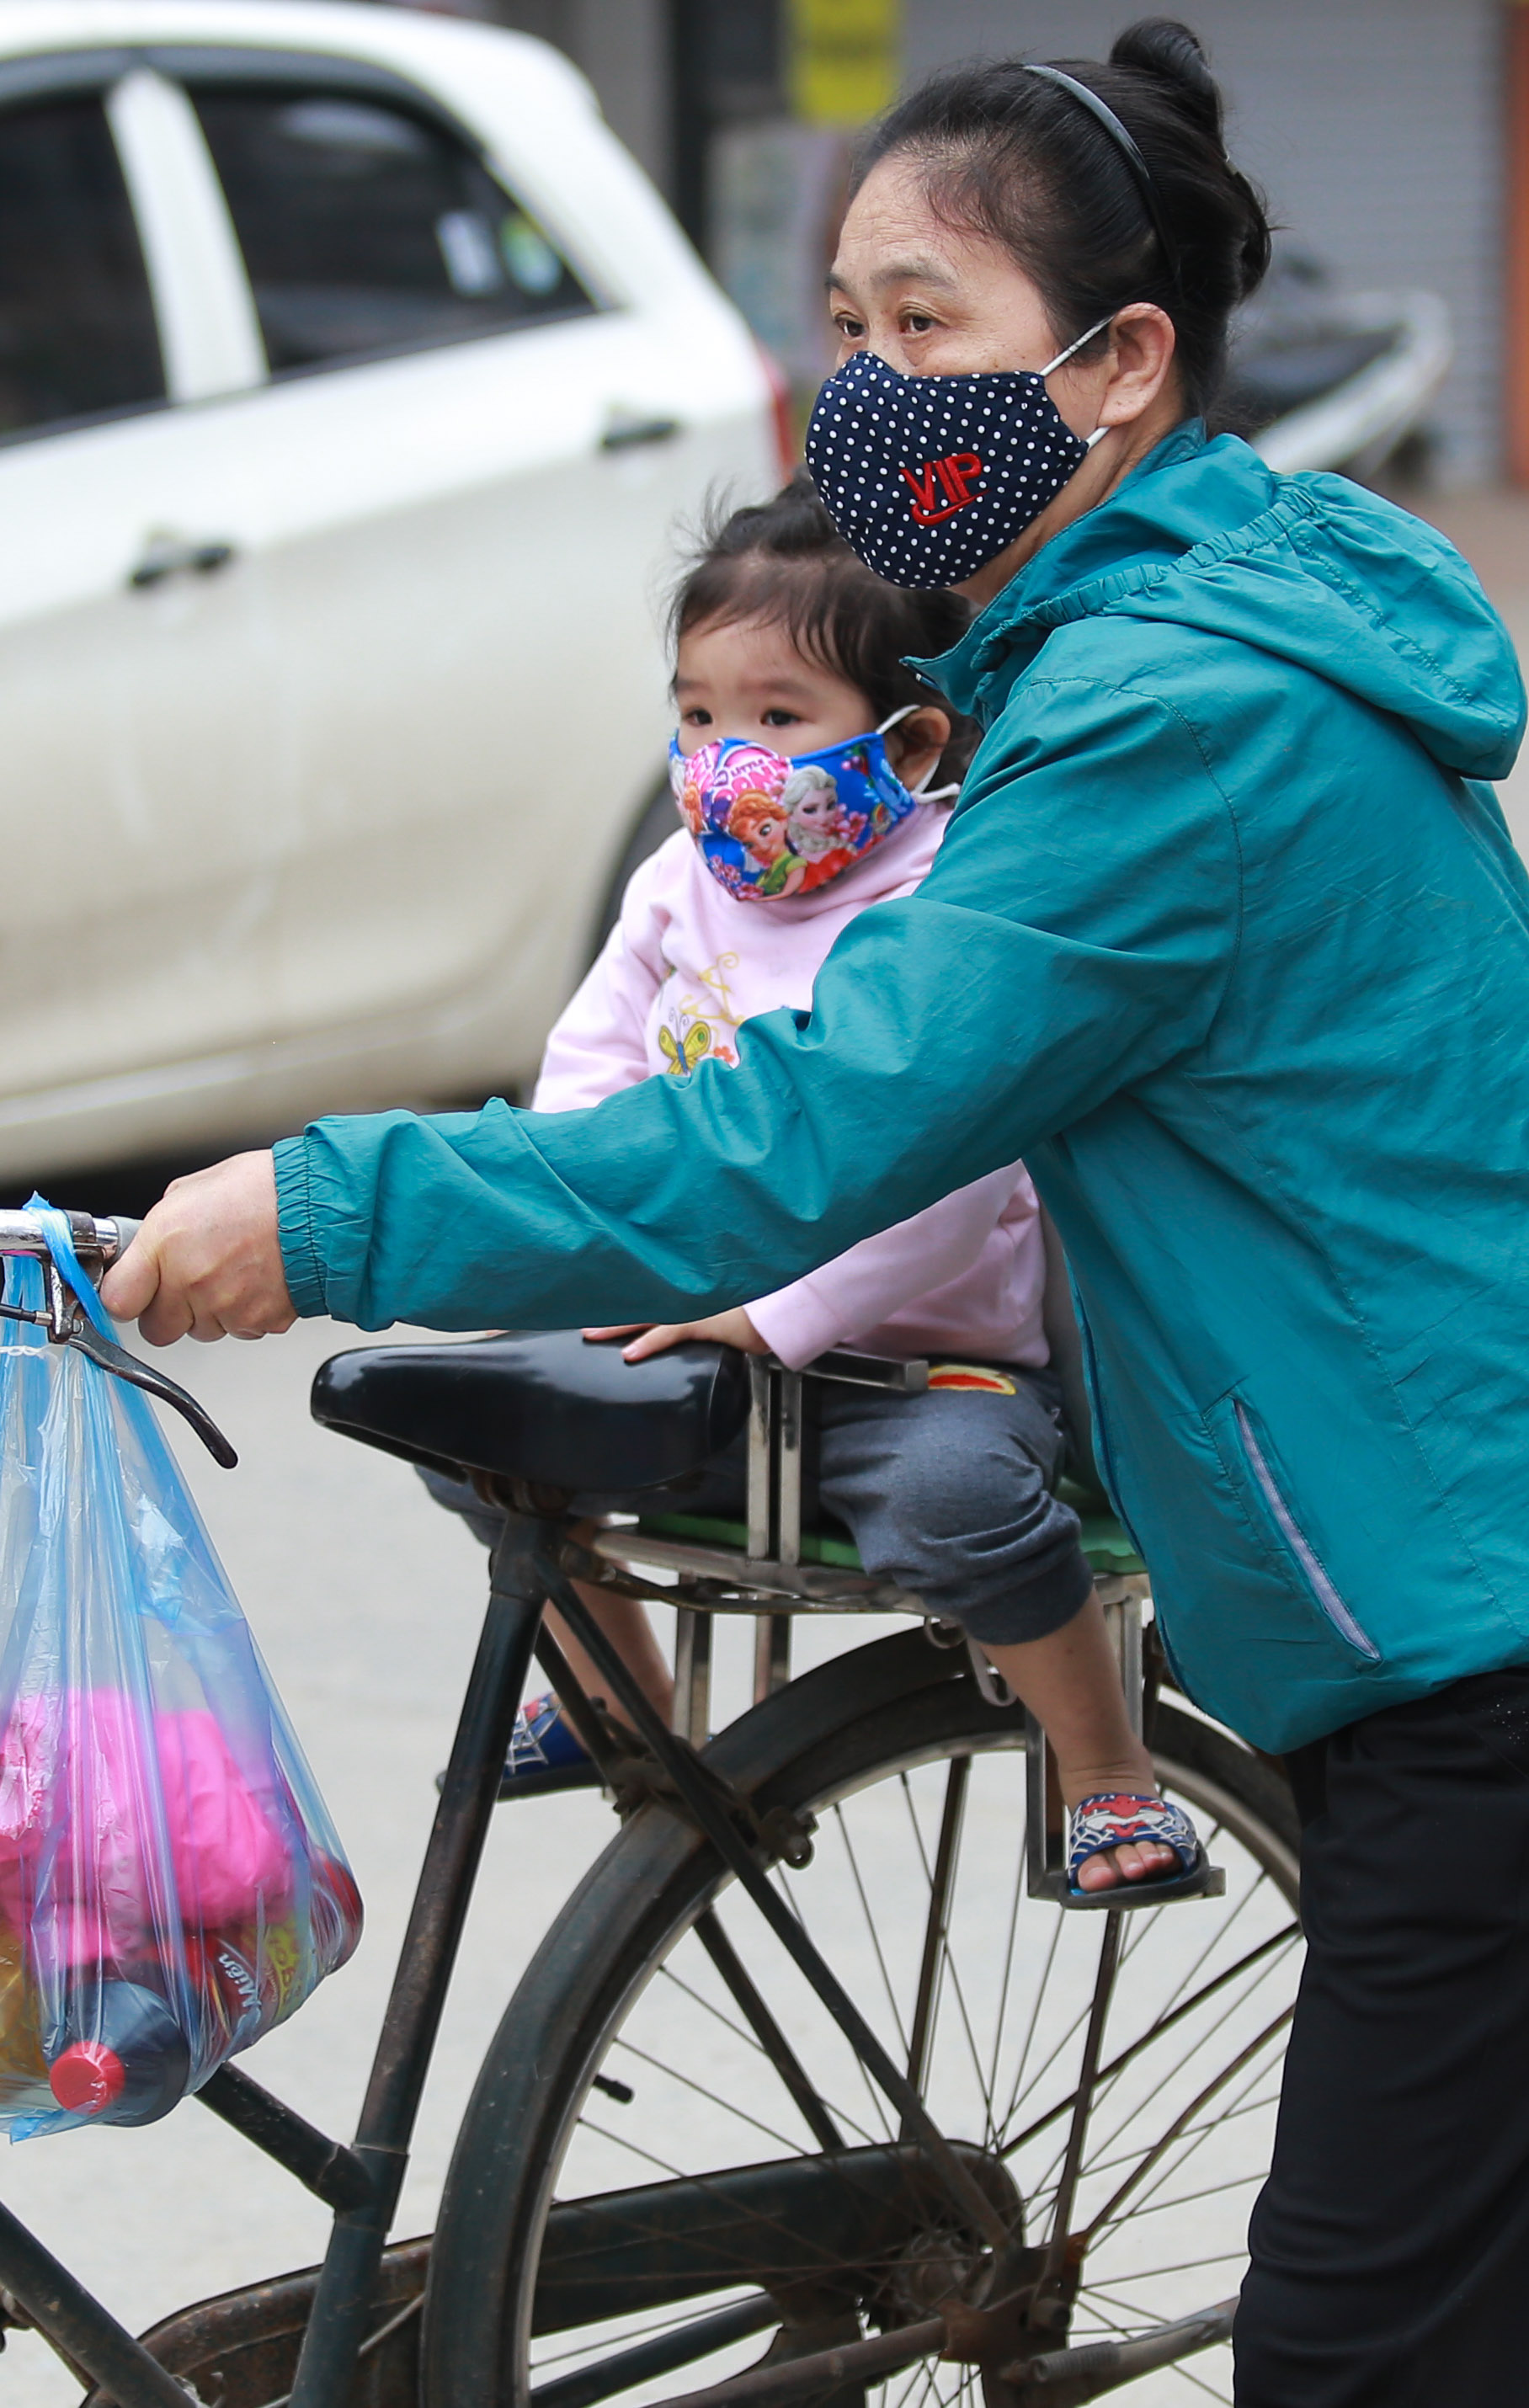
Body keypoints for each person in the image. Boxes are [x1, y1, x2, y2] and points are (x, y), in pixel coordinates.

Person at [108, 22, 1529, 2404]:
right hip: (1497, 1562)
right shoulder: (1208, 637)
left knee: (1365, 2350)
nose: (864, 388)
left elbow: (798, 1143)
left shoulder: (1162, 722)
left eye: (931, 328)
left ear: (1114, 366)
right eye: (850, 326)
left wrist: (332, 1203)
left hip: (1496, 1604)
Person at [447, 479, 1194, 1899]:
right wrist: (572, 1247)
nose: (728, 758)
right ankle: (625, 1704)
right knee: (484, 1426)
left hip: (913, 1373)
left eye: (778, 719)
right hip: (689, 1332)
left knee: (966, 1496)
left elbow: (948, 1183)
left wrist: (763, 1307)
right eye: (698, 716)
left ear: (906, 740)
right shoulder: (678, 884)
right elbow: (588, 1070)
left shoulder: (947, 907)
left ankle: (1103, 1766)